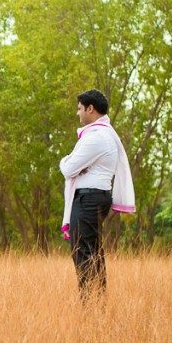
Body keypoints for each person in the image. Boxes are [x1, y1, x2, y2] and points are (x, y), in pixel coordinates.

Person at [59, 89, 136, 301]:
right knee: (92, 251)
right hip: (92, 197)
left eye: (79, 109)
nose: (78, 114)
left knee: (83, 251)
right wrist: (73, 163)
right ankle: (96, 300)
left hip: (89, 198)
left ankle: (90, 302)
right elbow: (74, 166)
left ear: (90, 109)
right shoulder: (102, 134)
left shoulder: (97, 137)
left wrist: (65, 160)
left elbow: (68, 168)